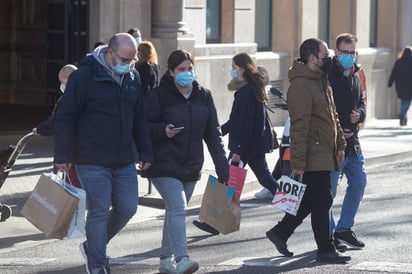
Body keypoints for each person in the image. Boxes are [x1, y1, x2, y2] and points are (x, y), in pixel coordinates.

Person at [53, 33, 154, 274]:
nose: (129, 64)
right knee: (98, 210)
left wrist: (145, 150)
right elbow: (65, 117)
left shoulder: (132, 76)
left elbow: (138, 117)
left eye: (132, 60)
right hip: (91, 157)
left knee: (128, 207)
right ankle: (98, 263)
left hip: (123, 158)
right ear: (110, 53)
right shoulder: (84, 76)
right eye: (124, 59)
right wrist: (63, 155)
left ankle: (93, 247)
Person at [265, 38, 351, 263]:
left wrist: (340, 143)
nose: (329, 59)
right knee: (323, 200)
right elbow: (299, 127)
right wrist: (298, 162)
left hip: (325, 150)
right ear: (312, 58)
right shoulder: (302, 85)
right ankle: (326, 248)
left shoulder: (321, 80)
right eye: (325, 56)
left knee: (313, 200)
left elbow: (332, 117)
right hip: (313, 153)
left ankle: (280, 232)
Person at [143, 49, 229, 274]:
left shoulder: (204, 95)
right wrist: (163, 130)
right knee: (178, 207)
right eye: (181, 70)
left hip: (191, 165)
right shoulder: (158, 96)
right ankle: (181, 259)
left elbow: (213, 135)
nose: (186, 73)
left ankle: (165, 260)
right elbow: (142, 127)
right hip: (163, 164)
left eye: (189, 69)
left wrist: (223, 167)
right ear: (171, 72)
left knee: (174, 212)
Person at [328, 33, 367, 252]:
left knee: (359, 182)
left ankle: (344, 229)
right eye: (345, 52)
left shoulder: (355, 74)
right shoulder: (328, 75)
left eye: (353, 52)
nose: (349, 57)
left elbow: (361, 101)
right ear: (336, 52)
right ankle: (328, 234)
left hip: (353, 143)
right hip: (334, 144)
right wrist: (337, 131)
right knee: (329, 192)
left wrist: (359, 115)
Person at [34, 64, 78, 136]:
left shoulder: (70, 99)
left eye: (62, 82)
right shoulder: (86, 93)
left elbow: (59, 118)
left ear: (68, 79)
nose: (62, 85)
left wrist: (41, 128)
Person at [388, 46, 412, 126]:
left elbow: (393, 73)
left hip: (400, 85)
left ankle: (403, 120)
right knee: (407, 102)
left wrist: (390, 83)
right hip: (410, 86)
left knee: (403, 101)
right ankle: (402, 114)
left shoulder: (398, 62)